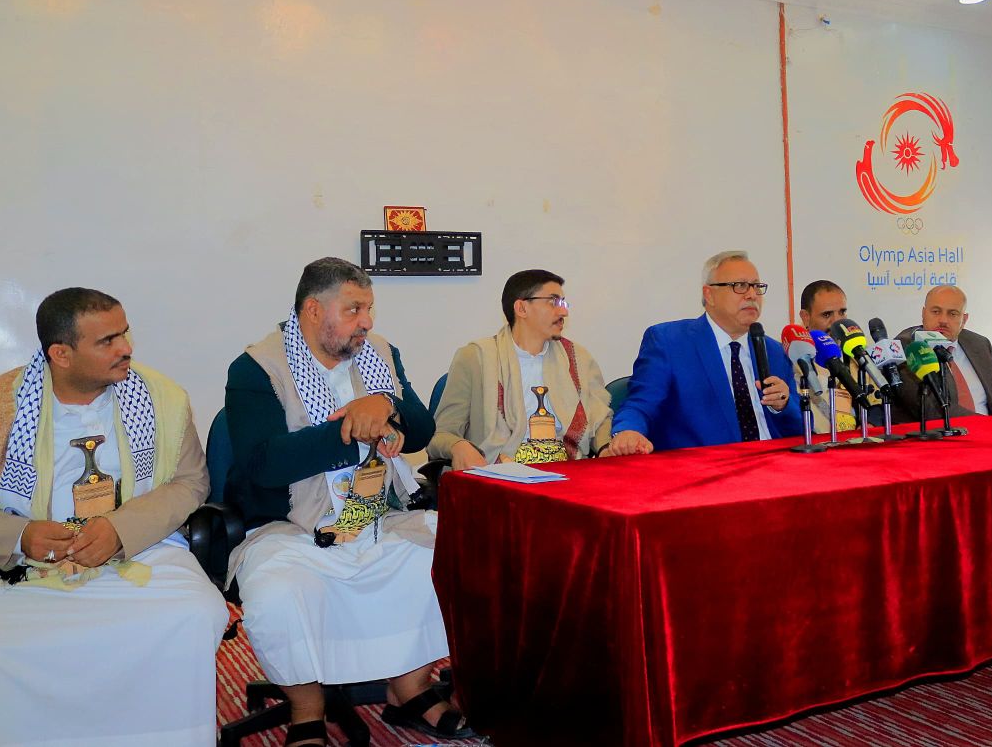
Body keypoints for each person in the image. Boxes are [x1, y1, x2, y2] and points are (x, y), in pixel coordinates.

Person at [224, 258, 470, 746]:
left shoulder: (380, 353)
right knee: (278, 591)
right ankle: (306, 711)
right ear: (313, 310)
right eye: (354, 309)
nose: (367, 322)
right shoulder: (256, 367)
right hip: (291, 524)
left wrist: (387, 404)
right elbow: (262, 463)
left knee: (452, 557)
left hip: (379, 513)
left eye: (369, 308)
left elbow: (422, 429)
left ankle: (411, 689)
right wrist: (351, 429)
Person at [0, 287, 226, 747]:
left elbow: (191, 481)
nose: (126, 348)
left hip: (141, 551)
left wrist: (122, 529)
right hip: (24, 567)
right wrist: (19, 535)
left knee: (197, 613)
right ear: (61, 354)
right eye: (107, 341)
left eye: (124, 334)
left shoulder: (162, 398)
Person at [611, 250, 803, 454]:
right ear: (709, 295)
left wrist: (783, 405)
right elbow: (641, 404)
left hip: (774, 462)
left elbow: (802, 430)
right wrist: (628, 431)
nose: (752, 295)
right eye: (740, 285)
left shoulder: (774, 351)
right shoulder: (669, 342)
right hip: (706, 464)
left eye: (757, 286)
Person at [429, 269, 614, 468]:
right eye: (553, 302)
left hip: (568, 472)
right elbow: (441, 434)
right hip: (499, 473)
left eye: (563, 303)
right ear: (522, 308)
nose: (563, 312)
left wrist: (605, 448)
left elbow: (600, 419)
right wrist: (458, 446)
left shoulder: (578, 359)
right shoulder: (476, 358)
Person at [894, 285, 992, 422]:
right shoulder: (908, 347)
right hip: (943, 432)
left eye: (952, 314)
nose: (943, 320)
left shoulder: (980, 344)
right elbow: (932, 410)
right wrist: (988, 423)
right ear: (923, 313)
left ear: (964, 320)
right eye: (936, 311)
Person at [796, 280, 856, 433]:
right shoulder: (793, 361)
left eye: (842, 312)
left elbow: (876, 405)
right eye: (827, 314)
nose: (837, 322)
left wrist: (870, 423)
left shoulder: (855, 353)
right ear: (805, 317)